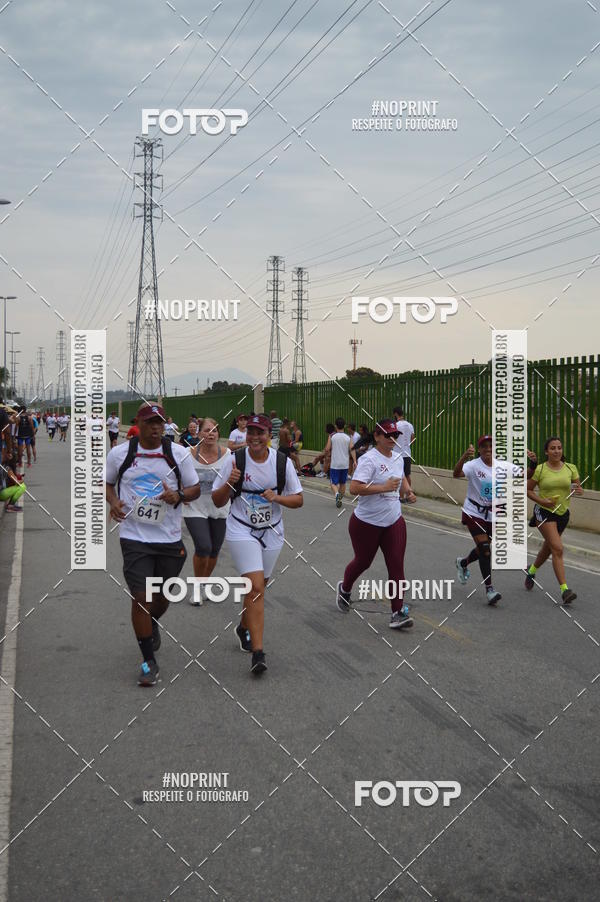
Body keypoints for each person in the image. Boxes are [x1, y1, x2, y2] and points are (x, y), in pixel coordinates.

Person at [105, 403, 200, 687]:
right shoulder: (121, 454)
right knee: (141, 598)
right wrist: (113, 502)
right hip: (134, 538)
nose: (157, 428)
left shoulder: (178, 453)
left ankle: (152, 623)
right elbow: (108, 484)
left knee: (161, 598)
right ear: (139, 424)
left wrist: (179, 495)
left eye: (160, 423)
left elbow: (195, 489)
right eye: (150, 423)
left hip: (169, 539)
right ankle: (148, 661)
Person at [212, 414, 303, 675]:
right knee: (254, 587)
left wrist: (276, 498)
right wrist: (230, 482)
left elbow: (298, 500)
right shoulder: (234, 461)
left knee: (260, 587)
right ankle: (258, 653)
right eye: (250, 432)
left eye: (260, 432)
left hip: (272, 531)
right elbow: (218, 501)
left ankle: (243, 627)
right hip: (241, 528)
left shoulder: (281, 462)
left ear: (268, 436)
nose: (254, 437)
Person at [336, 418, 415, 629]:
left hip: (394, 520)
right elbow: (354, 488)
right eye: (387, 435)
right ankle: (345, 588)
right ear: (377, 436)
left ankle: (397, 612)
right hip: (366, 522)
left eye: (395, 435)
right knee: (363, 562)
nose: (392, 439)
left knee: (396, 565)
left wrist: (407, 490)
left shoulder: (398, 457)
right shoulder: (369, 459)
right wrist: (385, 487)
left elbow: (400, 477)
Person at [453, 436, 522, 605]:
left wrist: (533, 465)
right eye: (484, 446)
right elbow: (456, 474)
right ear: (479, 450)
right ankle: (490, 589)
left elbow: (524, 475)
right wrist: (464, 457)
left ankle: (463, 563)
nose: (488, 449)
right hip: (473, 511)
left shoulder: (503, 466)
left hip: (494, 514)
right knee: (485, 549)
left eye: (490, 446)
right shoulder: (473, 465)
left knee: (484, 548)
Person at [525, 437, 583, 604]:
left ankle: (531, 570)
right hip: (544, 512)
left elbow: (578, 488)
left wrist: (578, 490)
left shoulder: (571, 468)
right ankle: (565, 590)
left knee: (550, 547)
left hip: (563, 514)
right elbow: (527, 490)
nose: (557, 451)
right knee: (557, 547)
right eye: (552, 448)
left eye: (559, 447)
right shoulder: (541, 469)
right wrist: (543, 501)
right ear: (546, 452)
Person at [184, 418, 230, 605]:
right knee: (204, 546)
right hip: (194, 507)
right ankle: (196, 587)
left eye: (215, 431)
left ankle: (204, 584)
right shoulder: (187, 454)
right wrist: (181, 493)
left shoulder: (229, 455)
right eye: (206, 430)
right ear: (199, 433)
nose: (211, 434)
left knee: (214, 550)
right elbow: (176, 473)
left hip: (219, 507)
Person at [326, 417, 355, 508]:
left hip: (335, 464)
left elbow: (327, 449)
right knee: (343, 483)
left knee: (333, 483)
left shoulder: (332, 436)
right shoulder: (348, 437)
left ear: (335, 426)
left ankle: (337, 494)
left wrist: (329, 453)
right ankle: (340, 498)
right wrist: (354, 460)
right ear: (345, 426)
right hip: (345, 464)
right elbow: (352, 449)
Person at [392, 407, 415, 498]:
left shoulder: (396, 425)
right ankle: (409, 495)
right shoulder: (410, 425)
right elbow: (412, 439)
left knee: (399, 475)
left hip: (397, 454)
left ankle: (400, 497)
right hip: (407, 454)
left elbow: (393, 439)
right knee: (407, 475)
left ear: (395, 414)